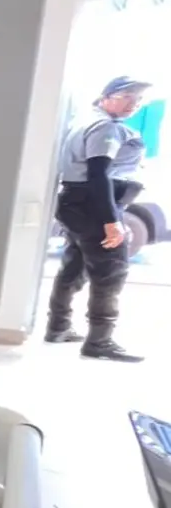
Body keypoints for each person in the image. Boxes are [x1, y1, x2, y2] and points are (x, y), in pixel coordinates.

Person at [46, 75, 151, 362]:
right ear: (106, 97)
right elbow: (98, 173)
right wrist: (111, 221)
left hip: (78, 203)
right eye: (126, 97)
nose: (133, 104)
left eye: (138, 100)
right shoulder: (105, 126)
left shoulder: (88, 119)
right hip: (92, 205)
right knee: (111, 270)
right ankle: (99, 342)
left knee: (74, 266)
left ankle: (58, 327)